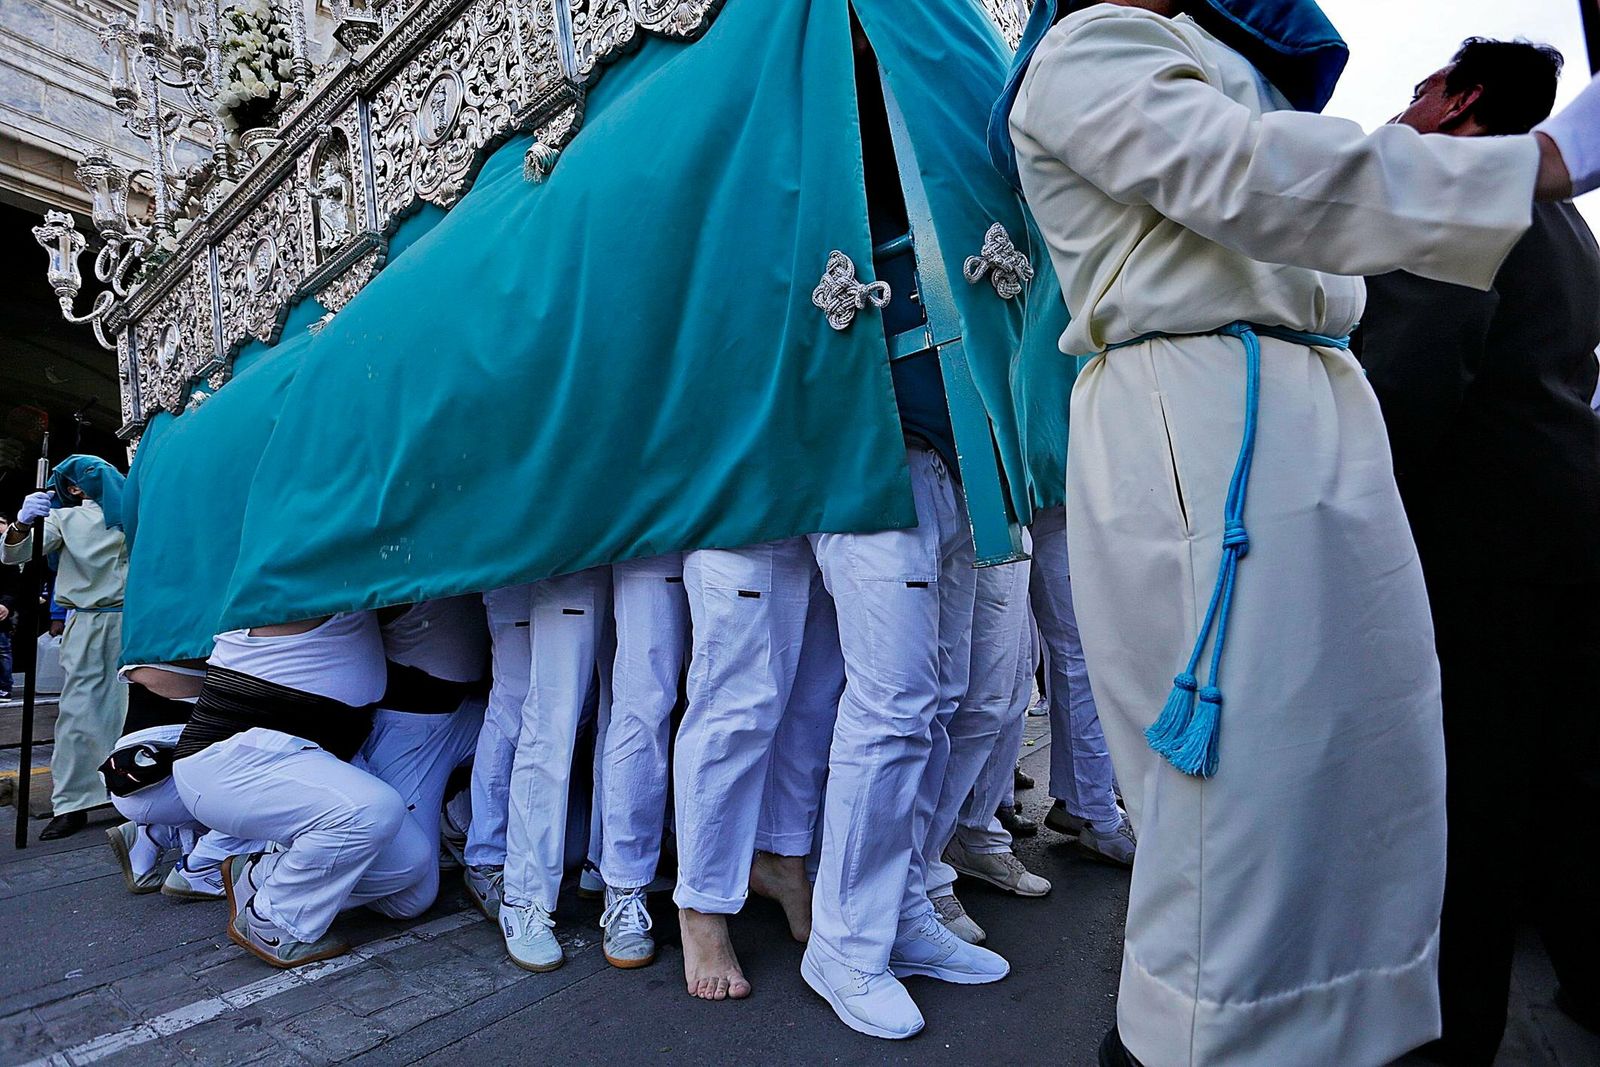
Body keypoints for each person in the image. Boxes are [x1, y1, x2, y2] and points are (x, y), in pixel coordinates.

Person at [1001, 0, 1596, 1063]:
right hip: (1204, 411)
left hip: (1301, 403)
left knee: (1366, 767)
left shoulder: (1219, 54)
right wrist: (1536, 162)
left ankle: (1349, 1032)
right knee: (1245, 811)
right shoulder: (1090, 41)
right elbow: (1245, 173)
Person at [1358, 38, 1600, 1062]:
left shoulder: (1454, 196)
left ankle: (1447, 1036)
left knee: (1466, 809)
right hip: (1566, 531)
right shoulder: (1565, 223)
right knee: (1562, 790)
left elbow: (1405, 391)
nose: (1406, 108)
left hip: (1478, 550)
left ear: (1460, 103)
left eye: (1419, 89)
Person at [170, 611, 434, 967]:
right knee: (373, 810)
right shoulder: (297, 577)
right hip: (231, 756)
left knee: (413, 883)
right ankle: (272, 919)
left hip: (318, 754)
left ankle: (260, 873)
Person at [673, 539, 841, 1000]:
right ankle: (701, 904)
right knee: (732, 712)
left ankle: (784, 859)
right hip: (744, 495)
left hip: (830, 510)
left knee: (813, 707)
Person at [924, 550, 1051, 948]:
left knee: (1005, 692)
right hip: (943, 504)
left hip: (1000, 504)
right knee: (941, 702)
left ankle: (974, 833)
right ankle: (922, 870)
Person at [2, 456, 129, 840]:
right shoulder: (64, 520)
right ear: (73, 489)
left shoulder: (139, 511)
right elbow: (15, 555)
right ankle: (74, 801)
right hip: (89, 621)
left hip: (135, 621)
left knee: (133, 708)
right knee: (79, 712)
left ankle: (134, 790)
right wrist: (24, 523)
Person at [498, 567, 611, 973]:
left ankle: (611, 869)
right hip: (575, 543)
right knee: (551, 720)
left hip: (639, 537)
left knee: (630, 712)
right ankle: (523, 897)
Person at [357, 596, 490, 917]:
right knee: (411, 898)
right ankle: (270, 872)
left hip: (477, 711)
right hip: (407, 727)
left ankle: (453, 813)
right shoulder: (386, 560)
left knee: (568, 848)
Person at [596, 553, 689, 969]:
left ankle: (712, 877)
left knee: (727, 701)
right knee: (643, 703)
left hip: (728, 513)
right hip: (655, 517)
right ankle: (624, 881)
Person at [1029, 506, 1133, 865]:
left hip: (1068, 504)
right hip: (1052, 502)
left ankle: (1083, 800)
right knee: (1080, 659)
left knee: (1087, 658)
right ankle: (1096, 812)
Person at [101, 662, 254, 899]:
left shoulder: (144, 632)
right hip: (175, 772)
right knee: (286, 796)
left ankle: (151, 836)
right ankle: (201, 867)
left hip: (130, 771)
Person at [462, 583, 533, 922]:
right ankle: (484, 856)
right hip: (518, 562)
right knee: (514, 699)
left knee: (578, 703)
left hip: (572, 565)